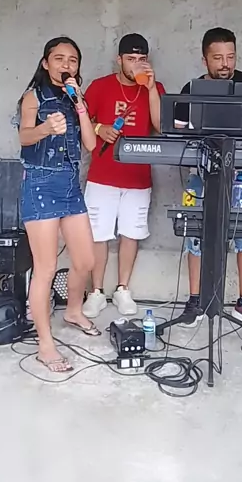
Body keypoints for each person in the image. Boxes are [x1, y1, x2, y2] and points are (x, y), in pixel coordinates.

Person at [174, 27, 242, 331]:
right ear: (205, 60)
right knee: (195, 234)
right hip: (201, 173)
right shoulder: (190, 89)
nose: (225, 64)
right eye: (217, 58)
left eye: (230, 56)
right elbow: (177, 129)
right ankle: (195, 301)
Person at [18, 36, 98, 374]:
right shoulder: (33, 97)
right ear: (45, 62)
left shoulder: (75, 96)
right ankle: (45, 345)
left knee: (86, 260)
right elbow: (23, 137)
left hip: (69, 185)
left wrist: (80, 105)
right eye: (59, 58)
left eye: (73, 60)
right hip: (40, 184)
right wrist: (44, 128)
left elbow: (91, 144)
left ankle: (73, 310)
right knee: (46, 268)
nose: (66, 65)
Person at [82, 33, 165, 318]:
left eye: (142, 59)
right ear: (119, 60)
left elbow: (160, 126)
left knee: (132, 233)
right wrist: (98, 128)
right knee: (98, 234)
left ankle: (122, 289)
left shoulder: (155, 88)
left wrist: (151, 88)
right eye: (131, 59)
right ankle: (96, 291)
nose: (136, 64)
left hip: (137, 176)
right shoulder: (100, 86)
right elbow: (81, 121)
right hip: (102, 174)